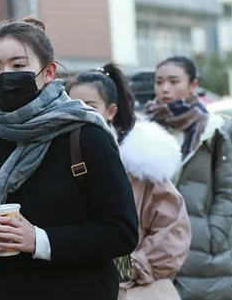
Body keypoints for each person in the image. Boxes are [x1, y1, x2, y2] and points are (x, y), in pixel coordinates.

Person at [0, 17, 139, 300]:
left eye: (18, 65)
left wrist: (39, 240)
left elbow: (122, 232)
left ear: (48, 72)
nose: (5, 75)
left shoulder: (85, 136)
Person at [67, 63, 192, 299]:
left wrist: (126, 270)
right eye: (72, 105)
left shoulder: (141, 163)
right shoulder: (57, 156)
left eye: (90, 106)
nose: (79, 113)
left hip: (131, 291)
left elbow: (173, 230)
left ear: (110, 111)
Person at [143, 56, 232, 300]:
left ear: (192, 85)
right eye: (159, 82)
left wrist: (214, 233)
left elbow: (228, 190)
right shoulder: (142, 130)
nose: (164, 88)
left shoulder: (213, 130)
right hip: (155, 246)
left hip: (204, 249)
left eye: (173, 81)